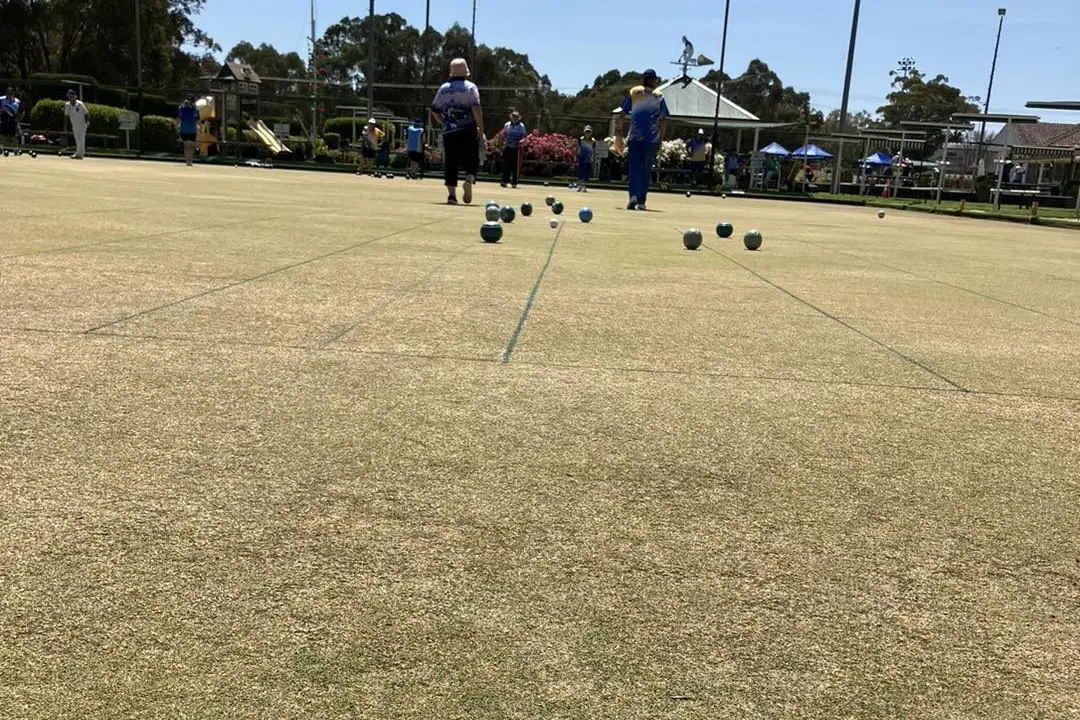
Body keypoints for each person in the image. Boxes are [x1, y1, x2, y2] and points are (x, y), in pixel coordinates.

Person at [614, 68, 669, 210]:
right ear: (654, 80)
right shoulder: (659, 96)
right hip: (651, 139)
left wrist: (618, 134)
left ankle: (632, 196)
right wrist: (661, 139)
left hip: (634, 137)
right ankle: (641, 201)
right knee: (645, 171)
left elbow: (621, 116)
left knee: (634, 169)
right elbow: (663, 120)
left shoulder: (634, 92)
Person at [430, 58, 483, 205]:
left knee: (451, 161)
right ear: (466, 72)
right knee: (472, 157)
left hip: (450, 130)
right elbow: (476, 108)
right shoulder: (471, 87)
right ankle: (469, 179)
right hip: (468, 128)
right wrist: (480, 127)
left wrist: (444, 122)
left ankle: (452, 196)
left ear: (451, 72)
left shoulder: (444, 88)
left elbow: (435, 110)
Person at [501, 110, 526, 188]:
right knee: (506, 165)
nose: (514, 118)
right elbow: (504, 134)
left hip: (517, 148)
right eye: (513, 116)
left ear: (518, 118)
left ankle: (514, 182)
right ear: (511, 117)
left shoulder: (522, 126)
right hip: (508, 147)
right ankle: (504, 181)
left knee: (515, 166)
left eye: (516, 117)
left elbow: (524, 136)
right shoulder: (507, 125)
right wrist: (503, 141)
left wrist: (521, 141)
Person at [63, 89, 89, 159]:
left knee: (81, 139)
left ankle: (80, 154)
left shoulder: (80, 104)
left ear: (74, 96)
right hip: (74, 125)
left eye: (71, 96)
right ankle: (78, 153)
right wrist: (65, 127)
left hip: (82, 124)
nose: (70, 98)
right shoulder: (67, 105)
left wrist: (87, 122)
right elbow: (66, 116)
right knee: (77, 139)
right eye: (68, 96)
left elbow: (86, 113)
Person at [178, 95, 198, 166]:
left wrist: (178, 128)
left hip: (184, 129)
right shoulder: (195, 109)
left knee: (186, 145)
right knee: (191, 146)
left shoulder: (181, 108)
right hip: (192, 129)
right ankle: (190, 161)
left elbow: (179, 119)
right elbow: (196, 121)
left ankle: (187, 161)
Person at [576, 126, 596, 192]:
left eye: (589, 132)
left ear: (591, 132)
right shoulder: (581, 139)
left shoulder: (593, 141)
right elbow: (578, 148)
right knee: (580, 173)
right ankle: (580, 186)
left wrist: (592, 158)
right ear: (584, 132)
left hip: (588, 158)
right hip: (581, 157)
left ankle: (584, 186)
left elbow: (593, 150)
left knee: (586, 173)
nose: (588, 133)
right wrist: (577, 156)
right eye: (586, 132)